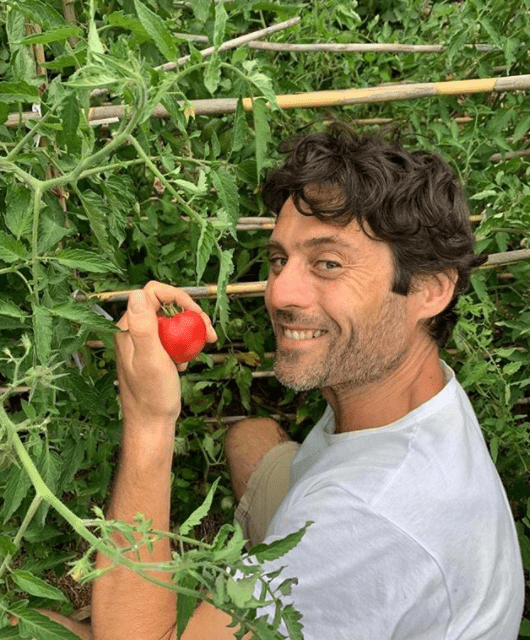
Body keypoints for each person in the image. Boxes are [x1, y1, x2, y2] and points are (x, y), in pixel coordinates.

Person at [30, 122, 525, 639]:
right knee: (252, 439)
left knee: (34, 627)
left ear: (429, 290)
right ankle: (255, 590)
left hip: (361, 547)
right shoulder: (416, 395)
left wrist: (149, 421)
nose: (281, 293)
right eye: (279, 260)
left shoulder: (366, 521)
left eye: (328, 263)